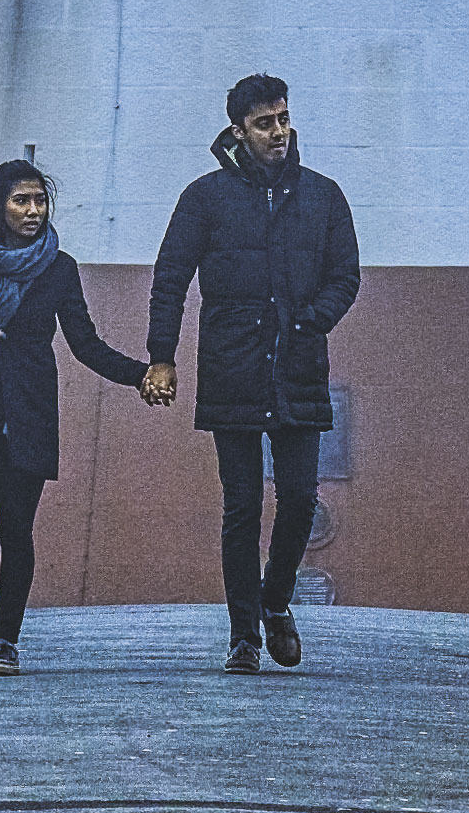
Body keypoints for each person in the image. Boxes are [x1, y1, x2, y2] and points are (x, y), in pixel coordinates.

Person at [142, 73, 360, 676]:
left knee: (296, 500)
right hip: (231, 369)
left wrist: (312, 321)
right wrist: (163, 354)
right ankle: (244, 635)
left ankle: (275, 601)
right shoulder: (204, 198)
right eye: (265, 123)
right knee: (240, 506)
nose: (280, 132)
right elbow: (170, 280)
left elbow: (347, 275)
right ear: (238, 131)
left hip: (298, 368)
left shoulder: (323, 196)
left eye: (284, 118)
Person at [0, 155, 150, 671]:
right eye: (21, 200)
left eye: (40, 200)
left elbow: (85, 343)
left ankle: (6, 638)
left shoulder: (59, 267)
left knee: (18, 530)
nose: (33, 210)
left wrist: (139, 373)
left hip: (29, 414)